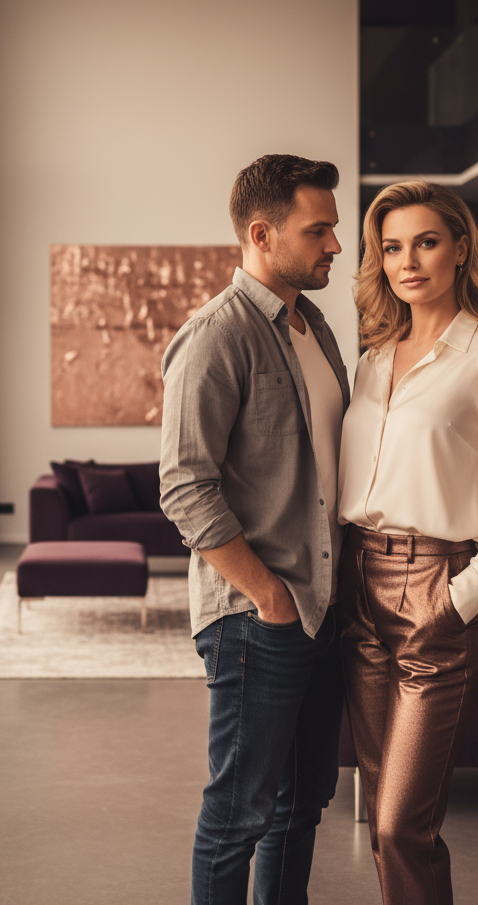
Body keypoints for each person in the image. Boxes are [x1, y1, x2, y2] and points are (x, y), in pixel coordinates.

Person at [337, 181, 478, 905]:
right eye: (392, 247)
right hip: (360, 590)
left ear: (461, 249)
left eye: (426, 242)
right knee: (380, 822)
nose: (408, 261)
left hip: (439, 589)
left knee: (403, 825)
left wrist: (463, 597)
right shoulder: (370, 360)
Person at [160, 154, 350, 905]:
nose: (334, 245)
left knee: (301, 809)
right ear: (263, 234)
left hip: (326, 609)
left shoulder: (316, 329)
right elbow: (185, 486)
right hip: (258, 620)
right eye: (319, 230)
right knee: (239, 815)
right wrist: (268, 594)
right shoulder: (215, 336)